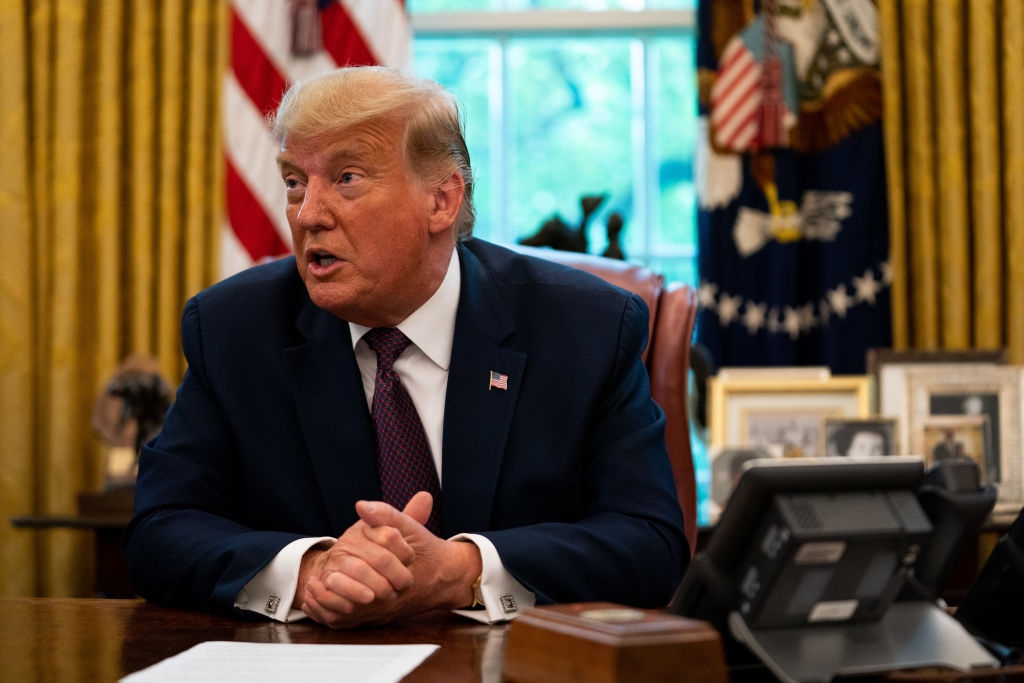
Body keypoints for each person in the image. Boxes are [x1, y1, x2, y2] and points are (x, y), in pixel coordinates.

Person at [123, 66, 688, 629]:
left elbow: (650, 543)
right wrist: (310, 570)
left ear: (441, 201)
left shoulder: (585, 328)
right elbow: (160, 530)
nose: (308, 214)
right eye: (295, 182)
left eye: (346, 178)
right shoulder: (236, 328)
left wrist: (461, 569)